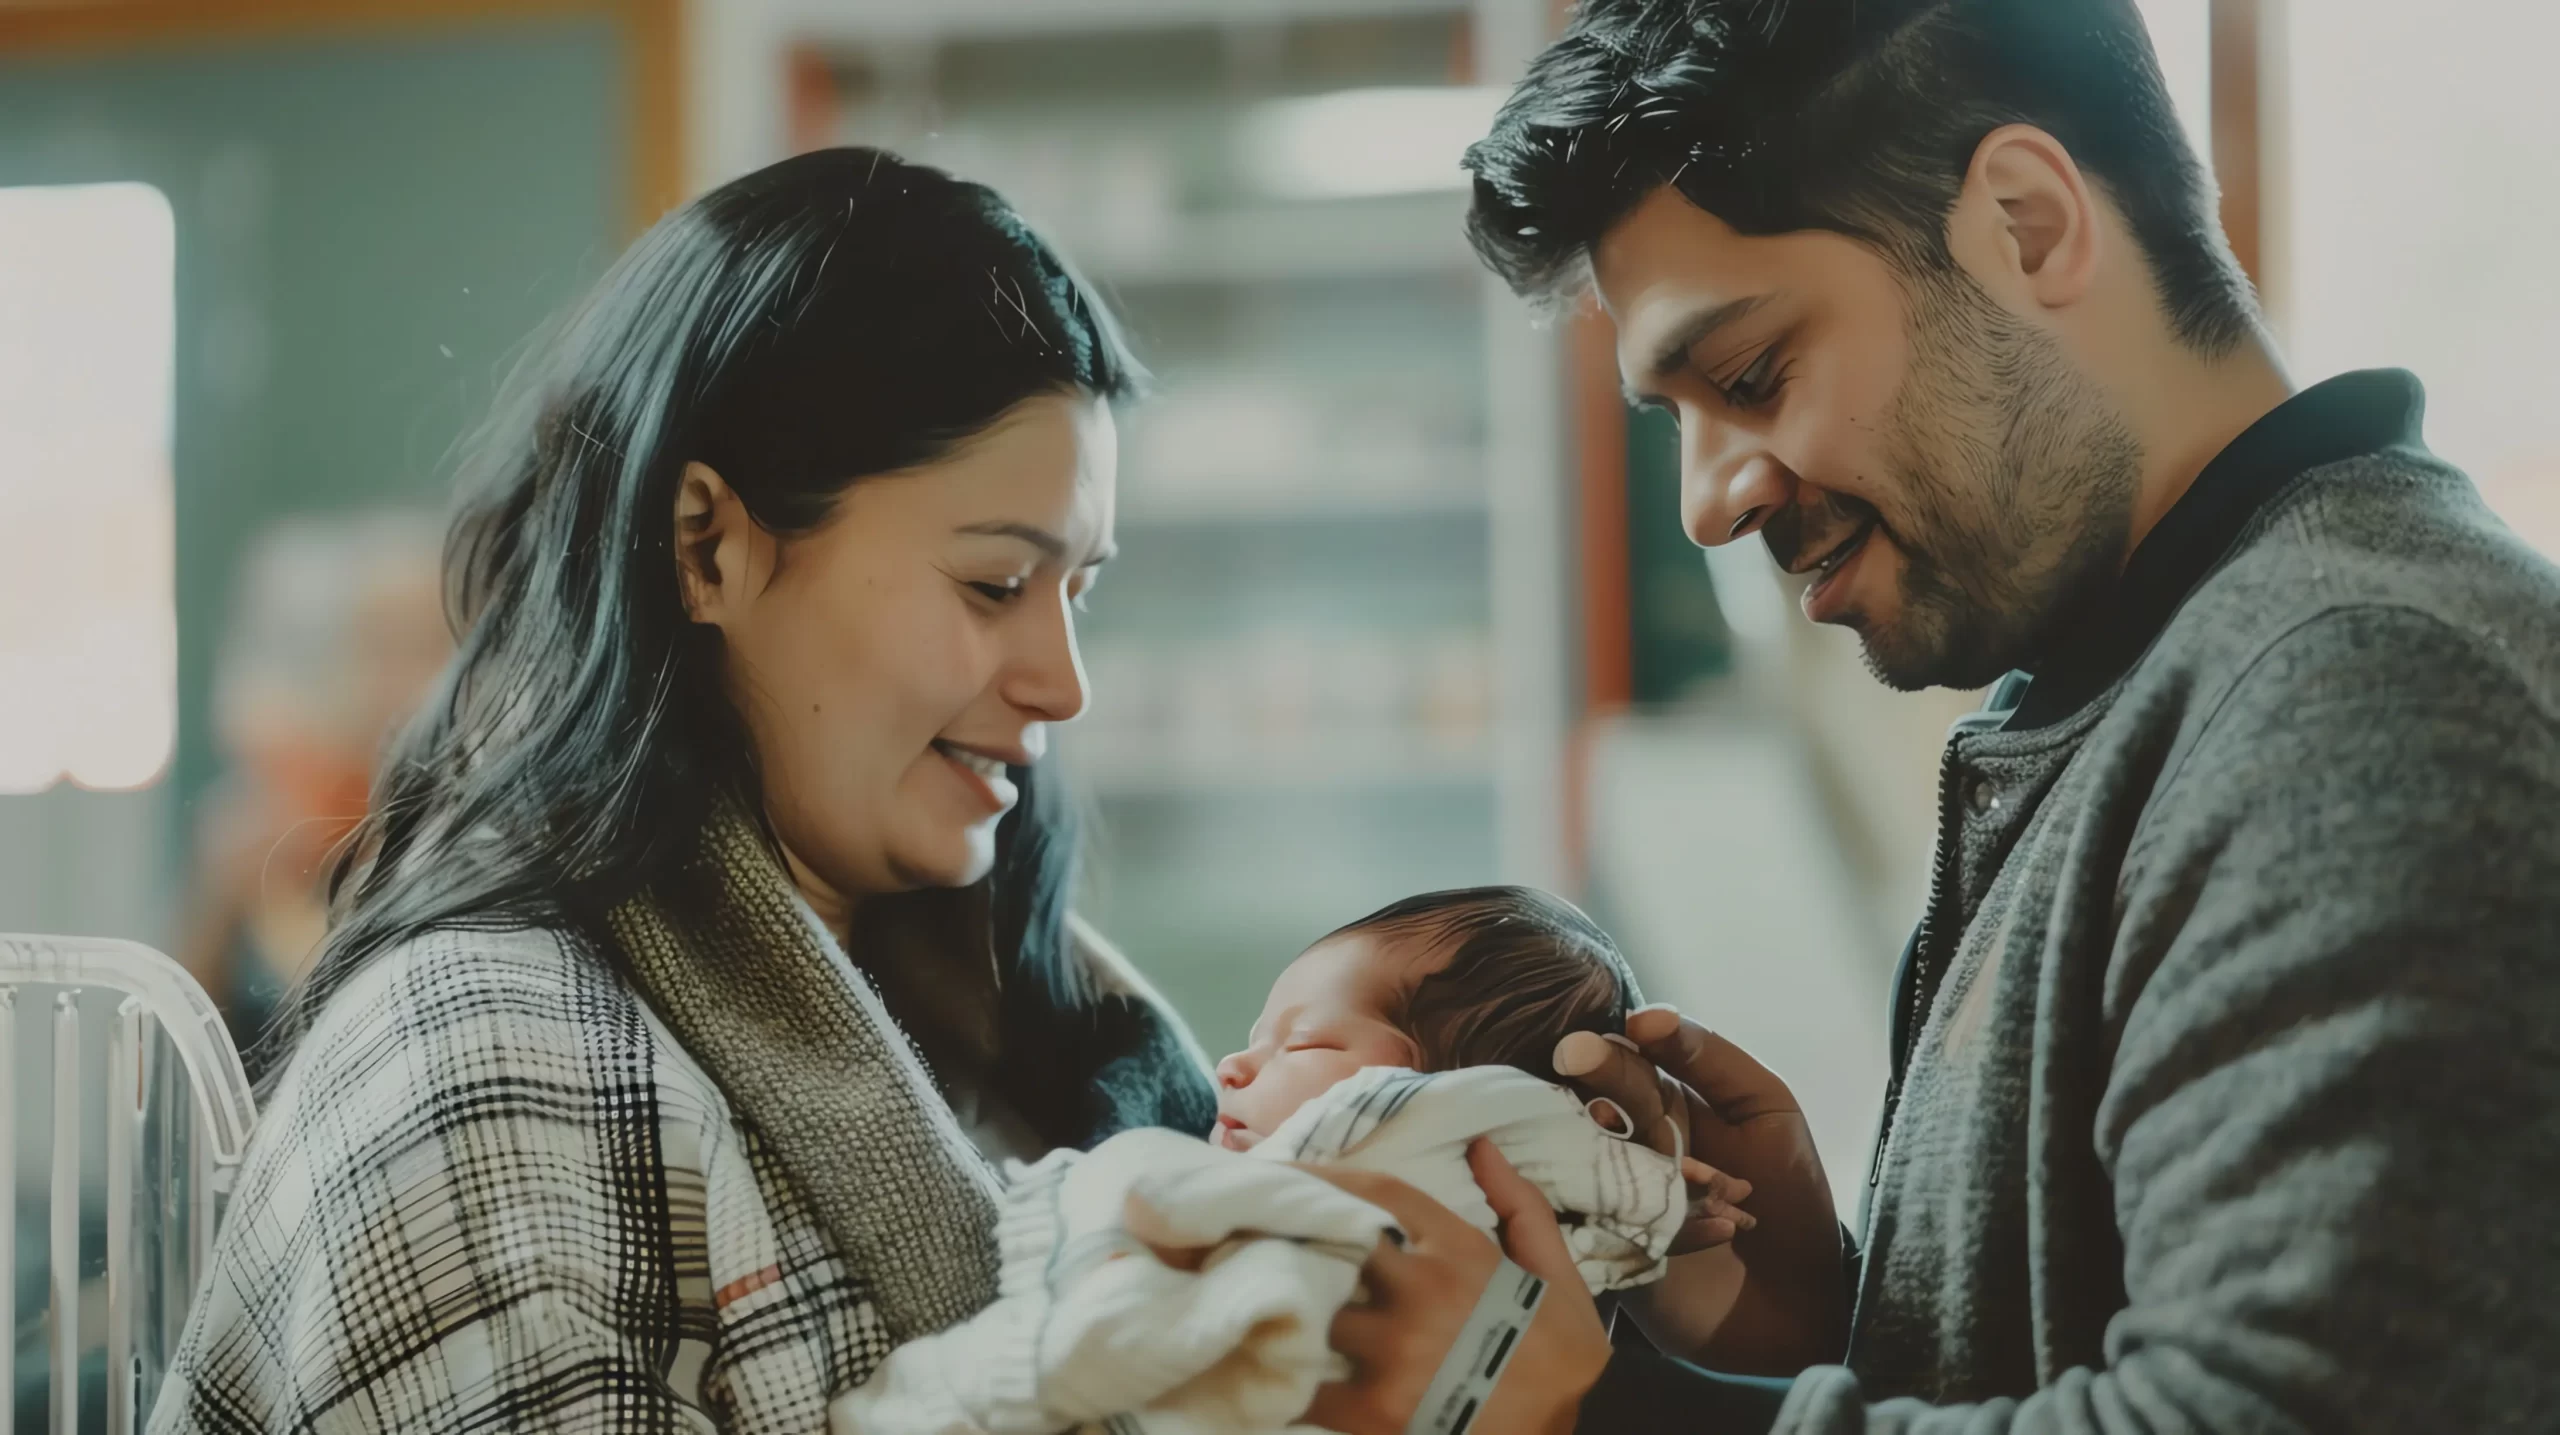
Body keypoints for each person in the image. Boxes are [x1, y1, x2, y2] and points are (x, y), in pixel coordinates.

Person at [1302, 3, 2560, 1433]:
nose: (1708, 500)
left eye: (1752, 375)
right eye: (1675, 416)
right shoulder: (2137, 690)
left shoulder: (2364, 693)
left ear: (2025, 224)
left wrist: (1609, 1417)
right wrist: (1819, 1326)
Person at [150, 148, 1216, 1433]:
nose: (1064, 682)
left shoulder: (1024, 1036)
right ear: (705, 545)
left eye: (1078, 591)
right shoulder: (492, 1074)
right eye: (995, 585)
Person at [829, 886, 1743, 1435]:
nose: (1234, 1065)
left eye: (1301, 1045)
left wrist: (1661, 1194)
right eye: (1257, 1037)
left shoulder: (1462, 1126)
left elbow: (1571, 1148)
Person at [176, 510, 450, 1077]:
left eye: (428, 647)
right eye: (374, 647)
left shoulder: (489, 842)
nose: (395, 684)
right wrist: (217, 900)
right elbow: (151, 1080)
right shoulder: (280, 816)